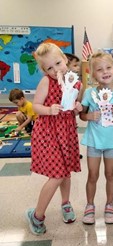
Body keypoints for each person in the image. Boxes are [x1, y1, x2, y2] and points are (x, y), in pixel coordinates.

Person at [25, 42, 82, 235]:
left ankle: (65, 203)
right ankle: (37, 216)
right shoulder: (46, 82)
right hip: (49, 133)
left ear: (65, 59)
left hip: (66, 131)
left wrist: (77, 108)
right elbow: (35, 106)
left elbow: (71, 108)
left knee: (66, 171)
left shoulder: (74, 81)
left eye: (58, 63)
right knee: (57, 174)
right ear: (44, 70)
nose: (55, 69)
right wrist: (49, 110)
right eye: (49, 67)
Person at [80, 52, 113, 225]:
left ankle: (110, 205)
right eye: (99, 69)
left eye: (108, 67)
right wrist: (89, 116)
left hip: (112, 142)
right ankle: (90, 205)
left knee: (110, 173)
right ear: (93, 73)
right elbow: (82, 115)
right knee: (92, 175)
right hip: (94, 141)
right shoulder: (89, 93)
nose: (105, 72)